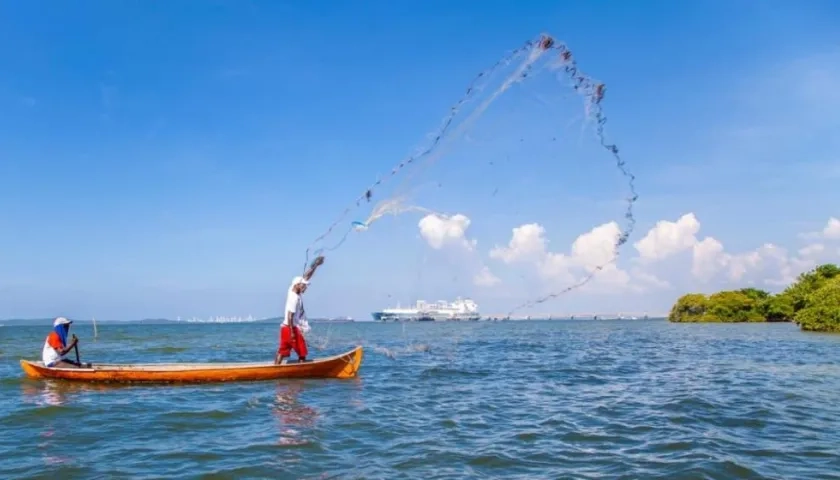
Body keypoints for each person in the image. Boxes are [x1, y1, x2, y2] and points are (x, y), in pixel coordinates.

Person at [276, 255, 325, 364]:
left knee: (282, 351)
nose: (305, 287)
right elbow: (290, 315)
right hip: (291, 328)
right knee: (302, 352)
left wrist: (315, 265)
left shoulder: (292, 288)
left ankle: (274, 369)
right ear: (298, 285)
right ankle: (302, 372)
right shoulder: (294, 298)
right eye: (304, 286)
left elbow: (306, 276)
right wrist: (292, 332)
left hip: (284, 328)